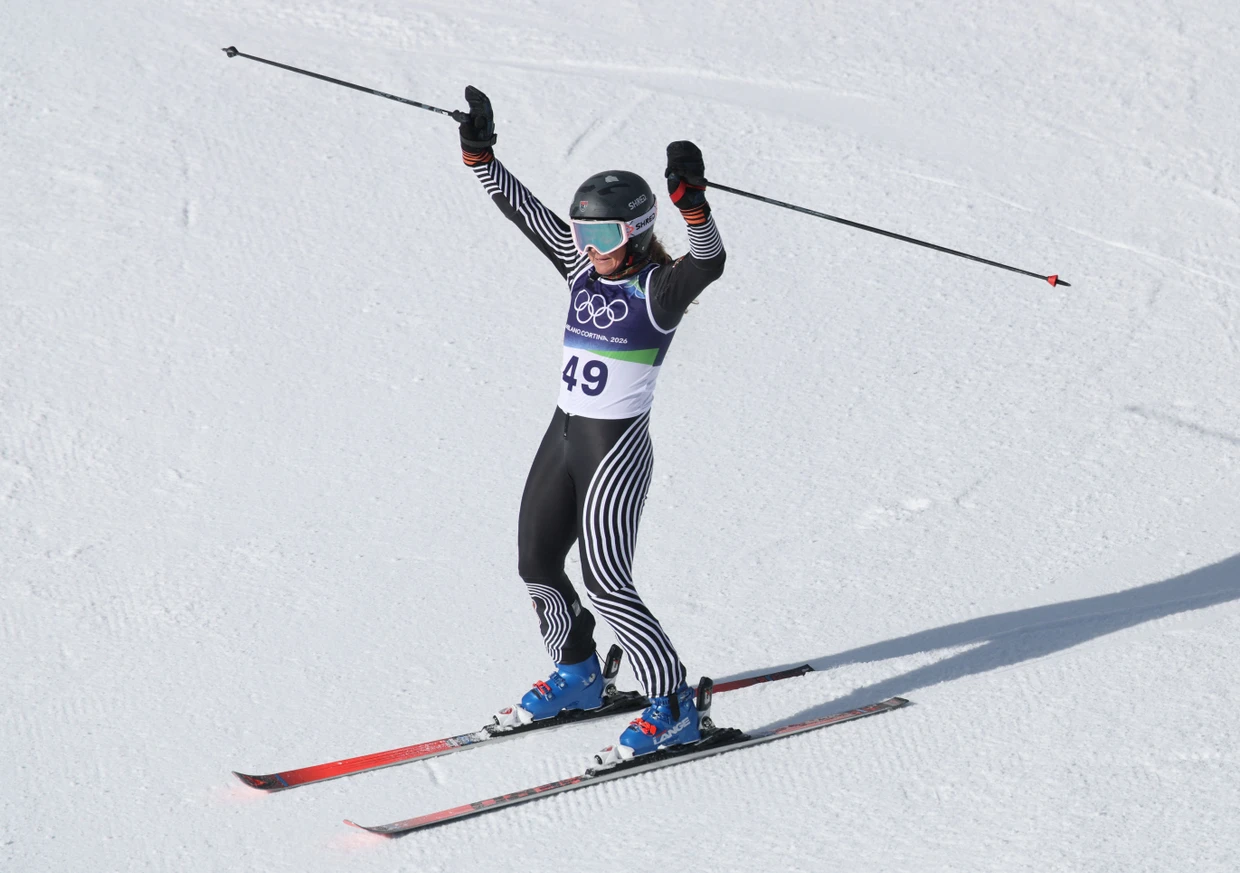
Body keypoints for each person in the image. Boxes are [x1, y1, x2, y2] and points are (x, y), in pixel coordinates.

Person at [457, 86, 726, 763]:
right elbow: (529, 216)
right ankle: (578, 674)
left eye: (603, 234)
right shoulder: (581, 268)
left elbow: (708, 260)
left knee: (608, 581)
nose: (590, 246)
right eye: (585, 234)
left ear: (634, 232)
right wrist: (480, 154)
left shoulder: (657, 290)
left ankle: (672, 705)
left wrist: (693, 206)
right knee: (536, 561)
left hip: (615, 449)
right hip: (565, 434)